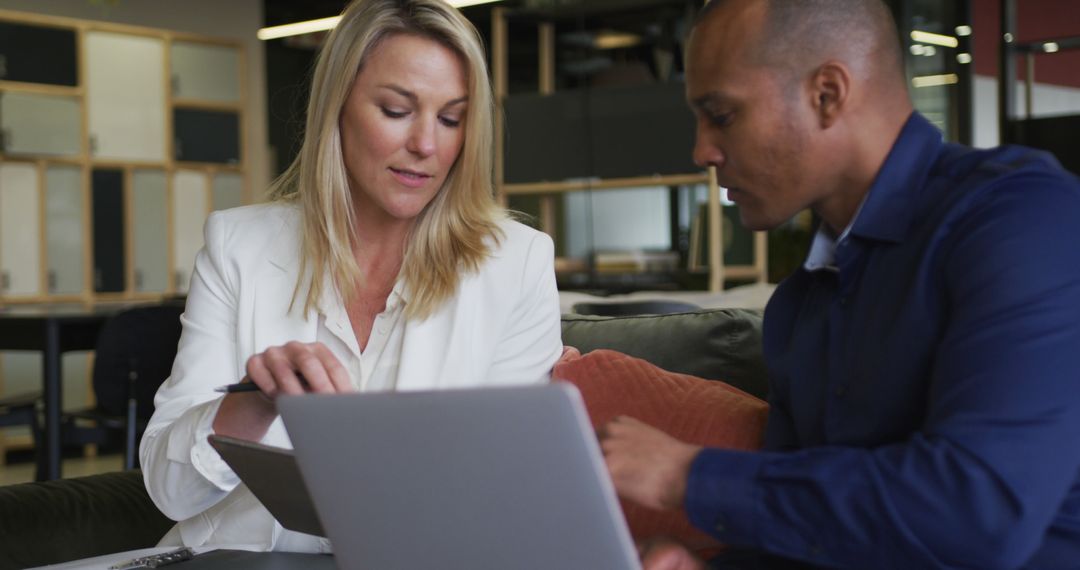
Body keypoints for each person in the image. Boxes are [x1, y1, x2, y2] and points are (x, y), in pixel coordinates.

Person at [599, 0, 1080, 568]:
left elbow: (979, 515)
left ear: (826, 94)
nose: (702, 151)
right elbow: (826, 539)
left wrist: (687, 475)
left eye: (722, 115)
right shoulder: (800, 304)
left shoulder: (1022, 218)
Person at [140, 0, 563, 552]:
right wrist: (253, 404)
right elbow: (168, 490)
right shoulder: (237, 246)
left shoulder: (516, 263)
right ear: (336, 106)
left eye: (451, 118)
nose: (427, 146)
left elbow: (502, 491)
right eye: (395, 109)